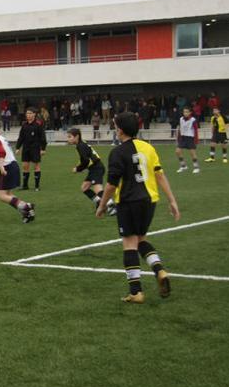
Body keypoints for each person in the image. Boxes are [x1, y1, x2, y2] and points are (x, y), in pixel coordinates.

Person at [96, 112, 180, 304]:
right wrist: (172, 200)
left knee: (129, 244)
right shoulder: (148, 148)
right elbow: (159, 176)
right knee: (141, 239)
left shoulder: (117, 152)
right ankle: (160, 270)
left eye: (116, 126)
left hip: (128, 201)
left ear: (120, 130)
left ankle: (136, 292)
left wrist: (101, 206)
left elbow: (110, 185)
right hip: (149, 201)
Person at [0, 120, 34, 223]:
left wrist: (1, 167)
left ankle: (26, 207)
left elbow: (1, 153)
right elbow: (3, 155)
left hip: (7, 167)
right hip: (13, 165)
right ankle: (27, 213)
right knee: (8, 194)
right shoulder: (1, 138)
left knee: (1, 195)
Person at [67, 128, 116, 215]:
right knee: (84, 188)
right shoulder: (82, 144)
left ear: (77, 136)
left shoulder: (80, 146)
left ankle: (111, 205)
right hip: (94, 168)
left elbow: (86, 161)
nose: (68, 139)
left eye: (70, 137)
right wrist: (80, 166)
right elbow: (85, 159)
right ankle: (99, 203)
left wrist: (78, 169)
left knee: (97, 189)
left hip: (96, 168)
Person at [15, 108, 47, 191]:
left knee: (36, 166)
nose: (28, 115)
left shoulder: (38, 124)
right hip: (26, 148)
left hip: (35, 148)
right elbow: (21, 137)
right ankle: (25, 186)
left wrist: (43, 149)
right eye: (27, 113)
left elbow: (43, 137)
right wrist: (18, 147)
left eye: (30, 113)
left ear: (34, 114)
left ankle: (37, 186)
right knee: (25, 166)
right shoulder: (24, 125)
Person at [175, 106, 200, 174]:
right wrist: (178, 137)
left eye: (187, 112)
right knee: (177, 151)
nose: (185, 113)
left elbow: (196, 130)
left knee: (192, 153)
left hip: (190, 138)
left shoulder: (193, 120)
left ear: (190, 113)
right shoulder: (181, 119)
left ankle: (196, 167)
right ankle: (183, 166)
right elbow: (180, 128)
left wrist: (196, 140)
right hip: (182, 138)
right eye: (184, 112)